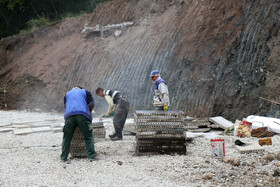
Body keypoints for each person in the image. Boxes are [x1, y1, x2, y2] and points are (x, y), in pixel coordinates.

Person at [61, 87, 98, 162]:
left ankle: (63, 157)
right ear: (80, 89)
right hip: (82, 115)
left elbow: (65, 106)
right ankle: (91, 156)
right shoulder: (85, 92)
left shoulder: (67, 94)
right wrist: (89, 111)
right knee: (88, 136)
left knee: (66, 137)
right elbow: (91, 103)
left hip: (69, 116)